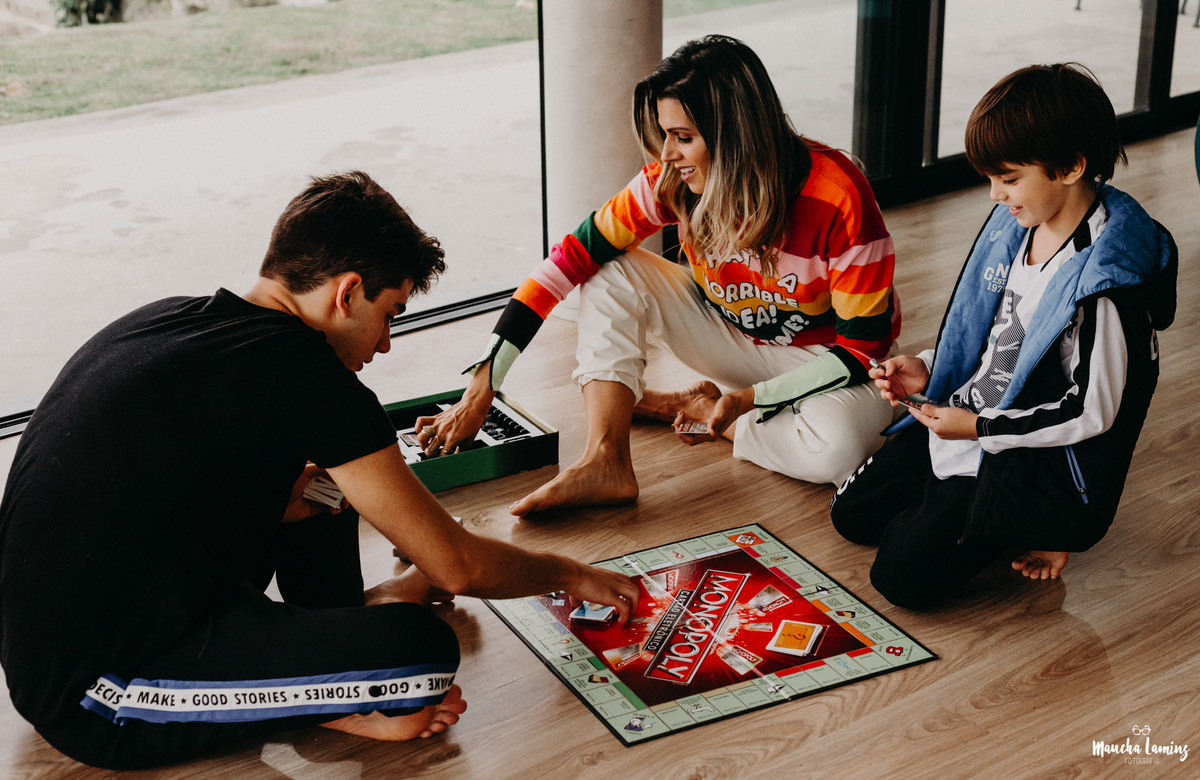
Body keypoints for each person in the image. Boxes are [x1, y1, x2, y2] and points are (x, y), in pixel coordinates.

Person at [0, 171, 639, 770]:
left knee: (323, 485)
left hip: (111, 617)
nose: (386, 343)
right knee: (421, 656)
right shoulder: (307, 378)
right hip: (98, 690)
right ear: (347, 292)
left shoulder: (176, 318)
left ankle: (332, 655)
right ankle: (331, 706)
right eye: (390, 314)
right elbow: (459, 567)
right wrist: (567, 572)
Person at [417, 35, 900, 516]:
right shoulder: (672, 182)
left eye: (683, 137)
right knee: (609, 269)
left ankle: (701, 411)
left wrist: (749, 400)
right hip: (731, 338)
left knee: (839, 450)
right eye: (666, 135)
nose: (667, 154)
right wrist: (484, 382)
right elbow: (567, 261)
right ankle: (606, 458)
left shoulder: (838, 196)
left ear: (737, 136)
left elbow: (863, 351)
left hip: (827, 359)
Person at [829, 64, 1177, 610]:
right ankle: (965, 513)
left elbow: (1094, 412)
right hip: (969, 421)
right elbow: (995, 335)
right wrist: (928, 366)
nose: (994, 195)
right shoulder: (1022, 223)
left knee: (899, 578)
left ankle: (1029, 522)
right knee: (849, 515)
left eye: (1009, 178)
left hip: (1015, 448)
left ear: (1070, 167)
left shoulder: (1105, 285)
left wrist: (978, 426)